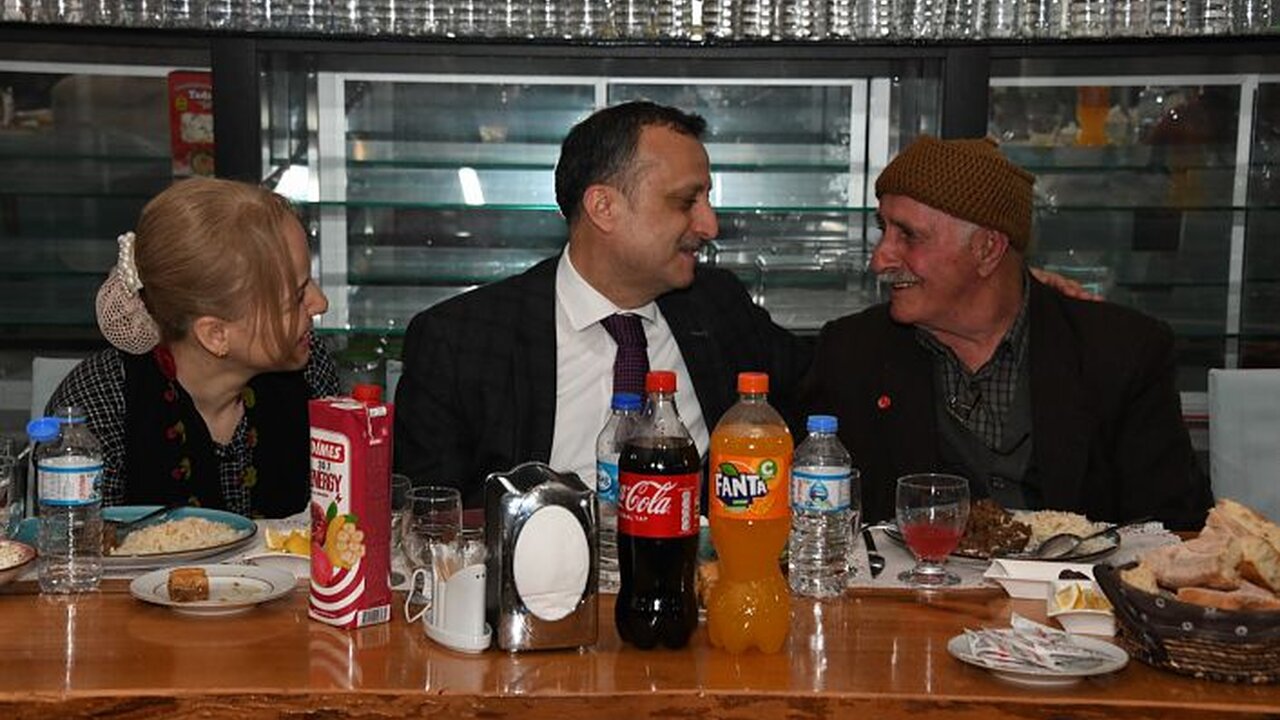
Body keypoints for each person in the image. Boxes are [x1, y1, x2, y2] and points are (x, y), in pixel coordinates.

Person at [394, 101, 811, 507]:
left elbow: (819, 385)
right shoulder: (461, 341)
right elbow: (429, 518)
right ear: (603, 207)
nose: (710, 225)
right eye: (687, 202)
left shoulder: (718, 306)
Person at [798, 135, 1212, 530]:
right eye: (883, 230)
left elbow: (1175, 529)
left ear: (988, 249)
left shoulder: (1120, 353)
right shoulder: (853, 353)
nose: (880, 259)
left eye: (908, 235)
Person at [47, 177, 337, 518]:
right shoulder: (97, 410)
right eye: (297, 297)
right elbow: (75, 543)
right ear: (216, 335)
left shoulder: (312, 373)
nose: (321, 303)